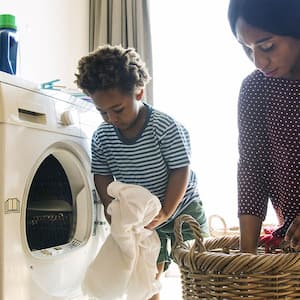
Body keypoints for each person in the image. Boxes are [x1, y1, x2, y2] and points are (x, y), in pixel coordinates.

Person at [75, 44, 208, 300]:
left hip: (181, 206)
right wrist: (109, 208)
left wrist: (167, 211)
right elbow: (101, 175)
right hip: (142, 217)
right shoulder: (102, 137)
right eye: (102, 112)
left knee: (197, 262)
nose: (111, 118)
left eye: (117, 109)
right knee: (146, 273)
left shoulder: (163, 126)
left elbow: (180, 170)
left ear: (138, 92)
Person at [228, 0, 300, 254]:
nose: (258, 61)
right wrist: (247, 255)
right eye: (247, 50)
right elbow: (252, 168)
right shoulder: (256, 88)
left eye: (267, 46)